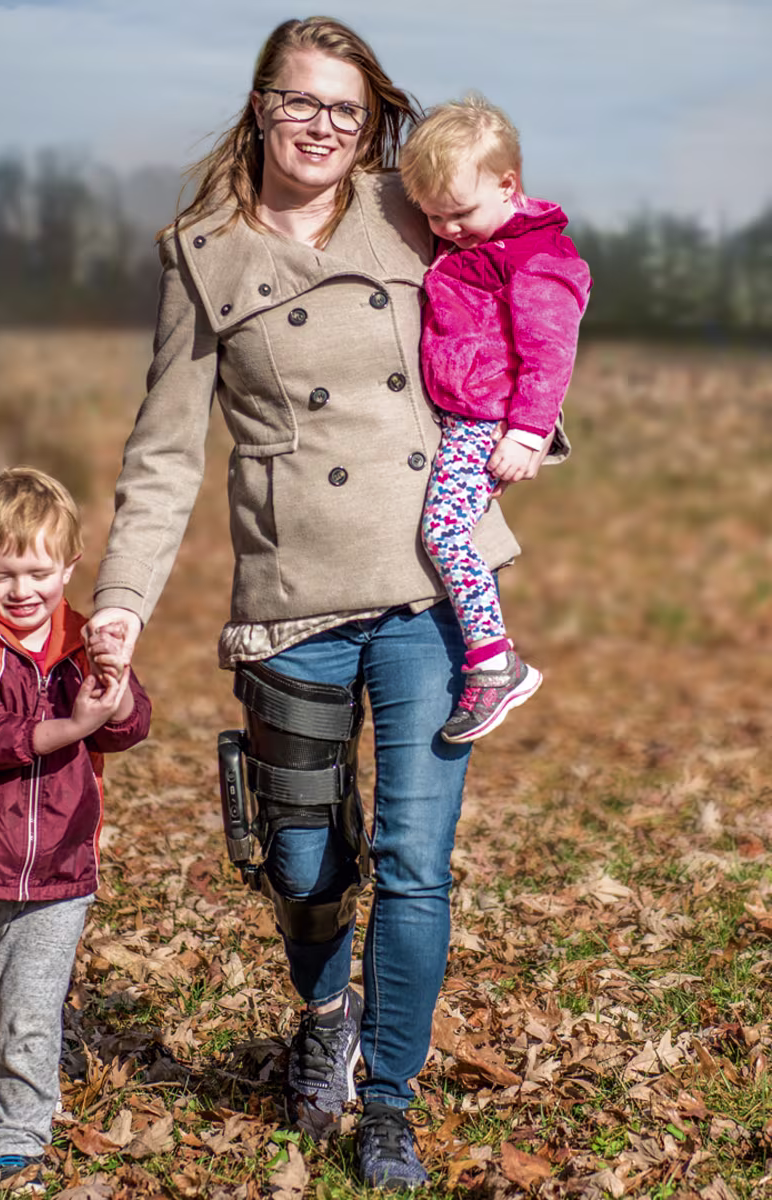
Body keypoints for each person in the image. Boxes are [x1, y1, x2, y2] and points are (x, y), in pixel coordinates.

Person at [85, 16, 567, 1192]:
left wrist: (530, 422)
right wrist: (117, 610)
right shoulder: (201, 253)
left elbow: (535, 283)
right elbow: (163, 454)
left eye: (346, 111)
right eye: (301, 103)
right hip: (292, 599)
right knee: (303, 862)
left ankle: (390, 1101)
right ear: (259, 104)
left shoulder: (410, 209)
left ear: (373, 123)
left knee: (413, 862)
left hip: (427, 594)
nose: (322, 128)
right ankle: (324, 1012)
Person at [0, 467, 151, 1190]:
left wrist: (112, 696)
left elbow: (130, 728)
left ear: (70, 566)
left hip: (62, 864)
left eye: (38, 572)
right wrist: (71, 725)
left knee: (29, 1006)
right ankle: (14, 1075)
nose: (21, 591)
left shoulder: (88, 639)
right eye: (1, 575)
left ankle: (19, 1130)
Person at [400, 94, 591, 744]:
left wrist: (528, 432)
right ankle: (488, 656)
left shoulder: (536, 262)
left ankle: (493, 660)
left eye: (458, 213)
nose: (447, 229)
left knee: (446, 535)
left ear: (508, 186)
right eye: (432, 217)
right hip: (457, 414)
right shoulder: (477, 235)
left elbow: (549, 355)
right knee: (441, 530)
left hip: (488, 423)